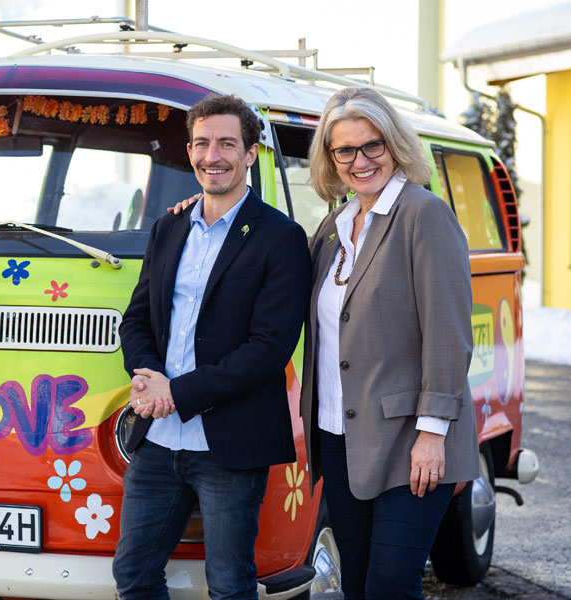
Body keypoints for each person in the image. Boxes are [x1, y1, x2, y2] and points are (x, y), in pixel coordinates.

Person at [112, 94, 311, 600]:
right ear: (189, 150)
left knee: (229, 585)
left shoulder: (281, 238)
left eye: (227, 143)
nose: (212, 155)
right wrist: (147, 375)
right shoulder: (168, 226)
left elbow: (268, 349)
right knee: (133, 576)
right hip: (158, 442)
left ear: (250, 154)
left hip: (229, 447)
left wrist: (176, 391)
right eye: (202, 143)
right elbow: (137, 320)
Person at [301, 86, 480, 599]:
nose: (360, 161)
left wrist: (432, 432)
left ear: (395, 144)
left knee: (390, 586)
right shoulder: (334, 228)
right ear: (330, 159)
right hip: (340, 437)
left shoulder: (424, 216)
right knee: (354, 584)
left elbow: (448, 335)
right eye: (345, 150)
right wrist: (200, 208)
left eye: (372, 145)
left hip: (412, 440)